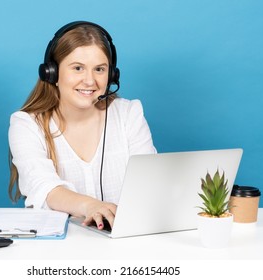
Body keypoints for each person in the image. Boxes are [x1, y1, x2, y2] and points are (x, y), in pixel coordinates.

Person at [8, 21, 156, 230]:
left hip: (122, 243)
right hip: (56, 248)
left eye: (99, 69)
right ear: (52, 73)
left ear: (111, 75)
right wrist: (91, 206)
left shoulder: (128, 114)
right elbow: (44, 187)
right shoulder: (26, 124)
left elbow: (150, 181)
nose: (90, 80)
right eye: (78, 68)